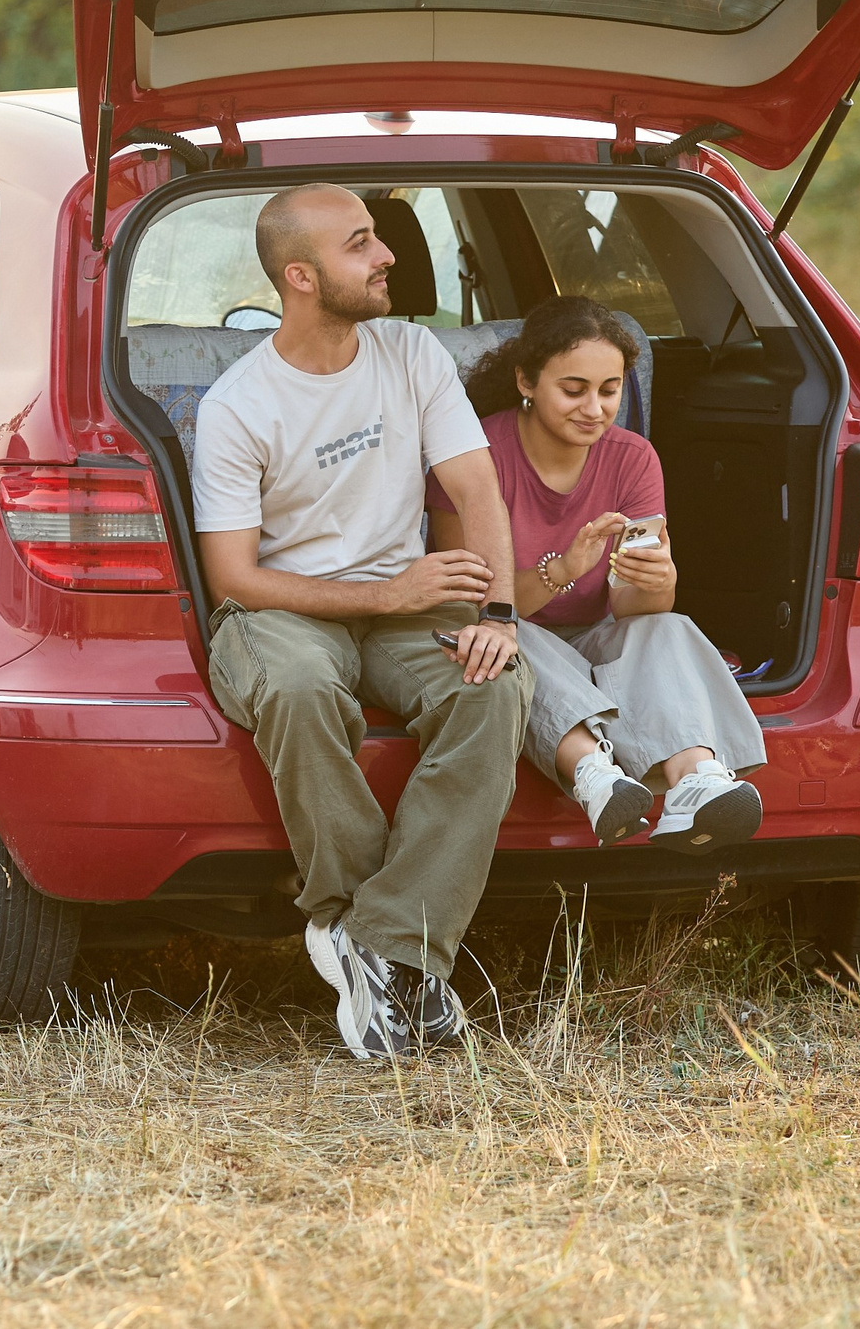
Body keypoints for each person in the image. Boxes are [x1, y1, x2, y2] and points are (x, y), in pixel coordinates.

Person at [192, 183, 533, 1061]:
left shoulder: (411, 353)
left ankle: (380, 942)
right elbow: (233, 576)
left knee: (492, 687)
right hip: (284, 611)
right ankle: (371, 935)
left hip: (407, 599)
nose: (386, 256)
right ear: (300, 276)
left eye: (377, 238)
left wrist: (497, 613)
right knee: (301, 689)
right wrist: (386, 596)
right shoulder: (237, 407)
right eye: (361, 244)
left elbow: (476, 486)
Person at [428, 295, 765, 852]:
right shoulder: (475, 453)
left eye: (609, 391)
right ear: (527, 382)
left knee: (670, 627)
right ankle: (594, 775)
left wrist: (656, 581)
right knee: (502, 640)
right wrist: (564, 569)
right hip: (511, 630)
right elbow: (472, 604)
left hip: (593, 641)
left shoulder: (633, 458)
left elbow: (635, 615)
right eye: (574, 389)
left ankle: (696, 780)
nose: (595, 408)